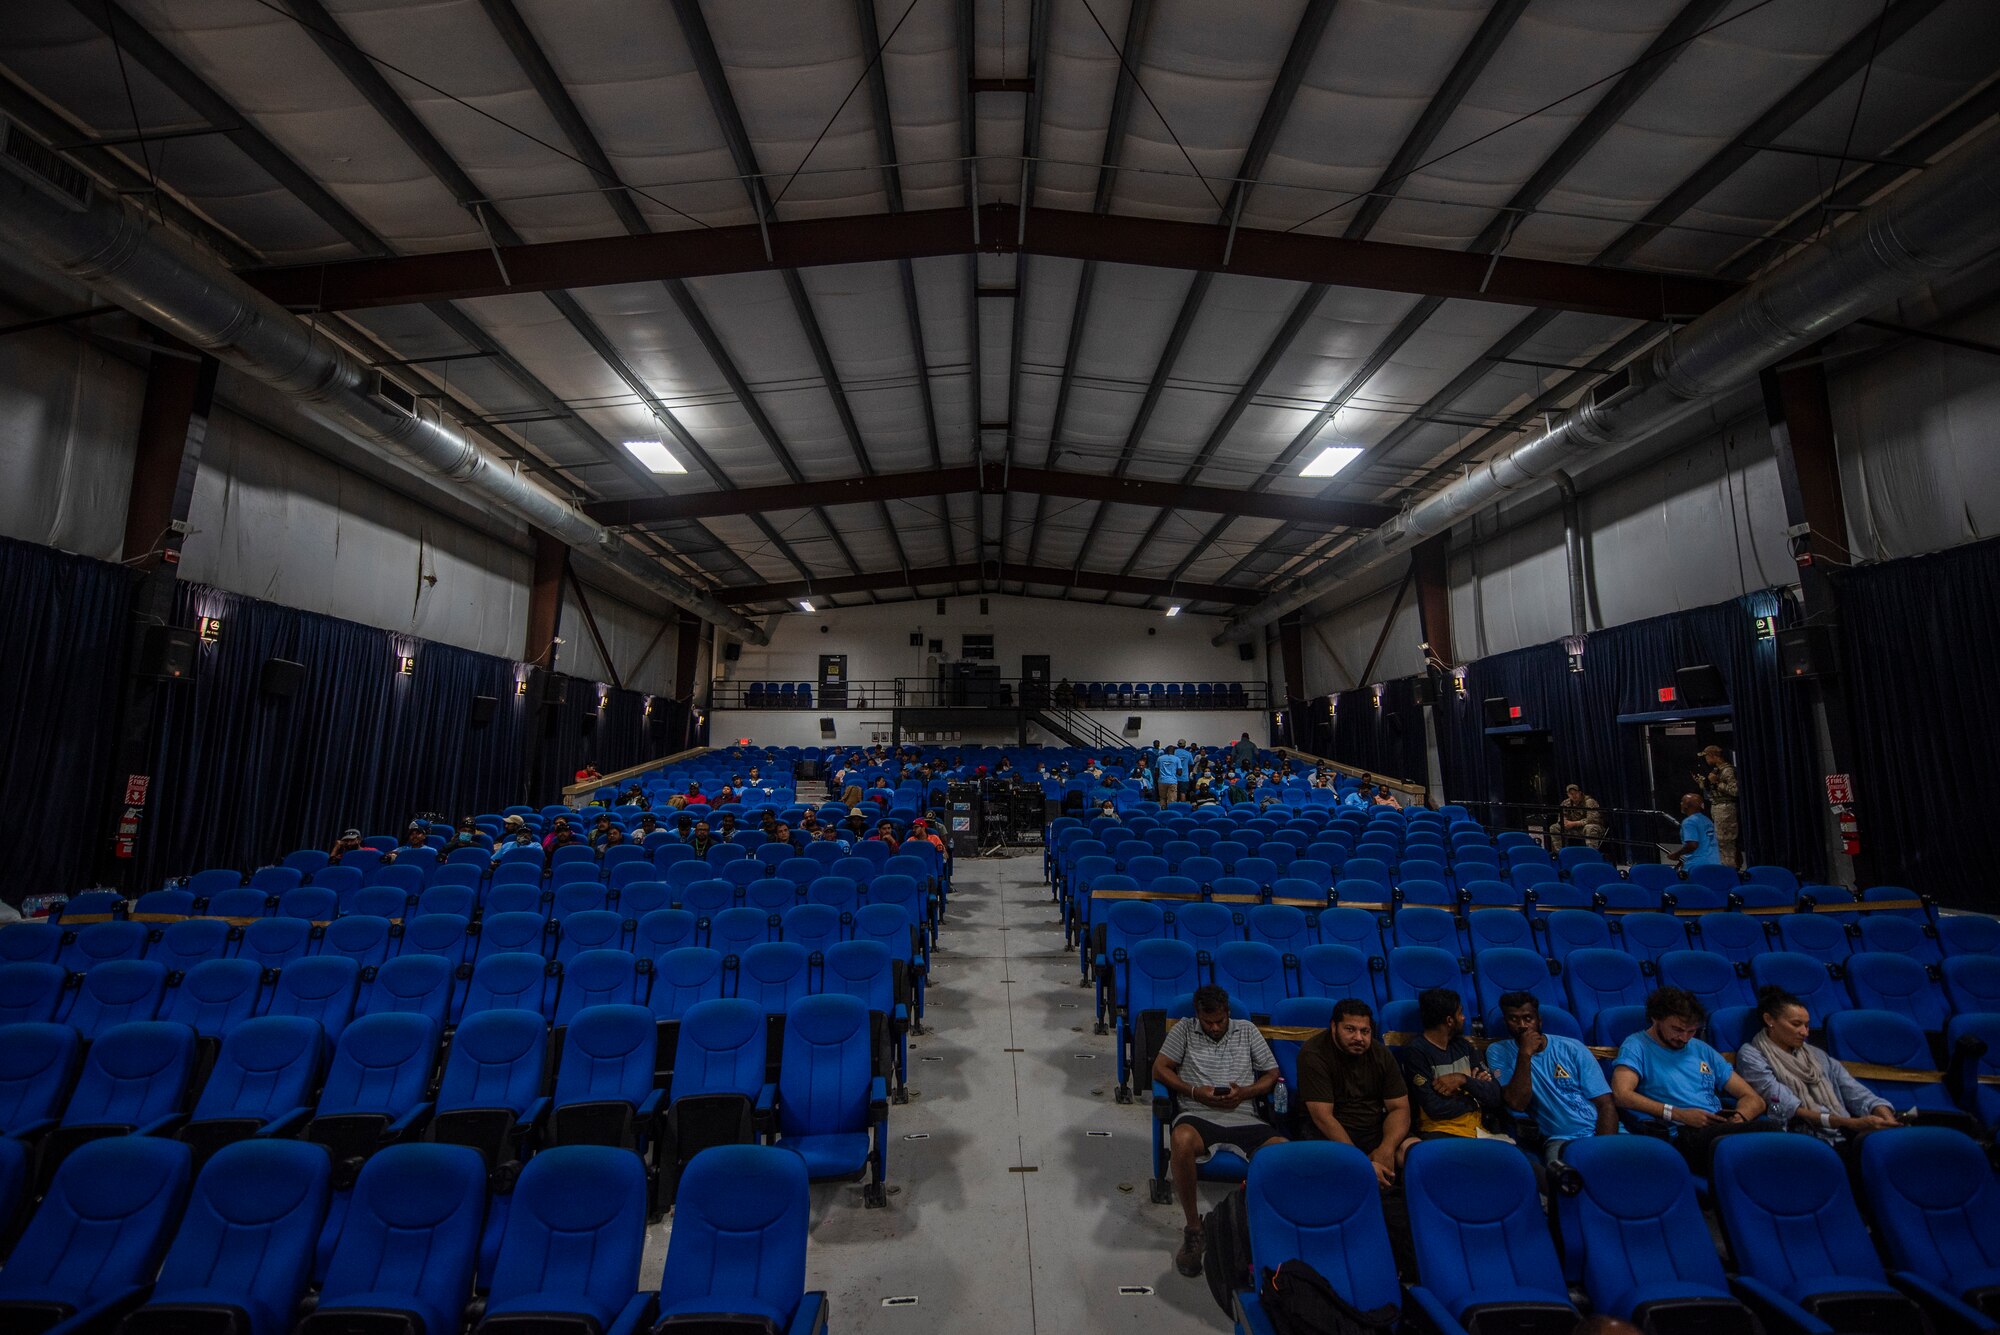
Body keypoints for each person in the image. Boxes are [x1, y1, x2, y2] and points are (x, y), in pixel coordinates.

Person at [1152, 985, 1285, 1277]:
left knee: (1282, 1154)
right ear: (1197, 1015)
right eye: (1207, 1021)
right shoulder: (1184, 1030)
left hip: (1244, 1115)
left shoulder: (1247, 1030)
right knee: (1181, 1140)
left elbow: (1272, 1073)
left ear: (1228, 1013)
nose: (1213, 1027)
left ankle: (1257, 1230)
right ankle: (1194, 1229)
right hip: (1199, 1114)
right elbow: (1160, 1069)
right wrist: (1194, 1091)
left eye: (1219, 1021)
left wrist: (1246, 1092)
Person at [1611, 987, 1770, 1173]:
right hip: (1681, 1134)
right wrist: (1678, 1114)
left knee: (1771, 1140)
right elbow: (1621, 1095)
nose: (1684, 1038)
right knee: (1769, 1132)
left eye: (1691, 1031)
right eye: (1677, 1029)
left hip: (1717, 1127)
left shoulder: (1702, 1049)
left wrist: (1739, 1118)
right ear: (1656, 1019)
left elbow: (1754, 1099)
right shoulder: (1636, 1045)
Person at [1734, 986, 1905, 1154]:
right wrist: (1847, 1123)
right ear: (1769, 1020)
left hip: (1842, 1131)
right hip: (1798, 1135)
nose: (1804, 1032)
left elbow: (1857, 1093)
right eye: (1796, 1024)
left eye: (1807, 1026)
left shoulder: (1816, 1055)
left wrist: (1886, 1117)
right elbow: (1784, 1105)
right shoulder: (1751, 1054)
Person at [1486, 992, 1620, 1162]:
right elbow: (1517, 1103)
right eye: (1514, 1019)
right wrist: (1525, 1055)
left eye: (1528, 1018)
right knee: (1563, 1179)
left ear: (1539, 1020)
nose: (1522, 1025)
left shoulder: (1573, 1047)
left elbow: (1605, 1103)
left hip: (1601, 1132)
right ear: (1506, 1022)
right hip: (1561, 1140)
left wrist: (1605, 1147)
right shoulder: (1498, 1052)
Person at [1294, 998, 1411, 1189]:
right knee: (1340, 1166)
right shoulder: (1313, 1053)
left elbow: (1399, 1108)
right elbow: (1323, 1117)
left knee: (1413, 1152)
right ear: (1334, 1027)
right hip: (1329, 1131)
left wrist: (1386, 1149)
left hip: (1373, 1128)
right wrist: (1362, 1163)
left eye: (1365, 1031)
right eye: (1350, 1029)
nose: (1359, 1037)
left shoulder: (1381, 1054)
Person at [1398, 989, 1504, 1158]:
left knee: (1530, 1172)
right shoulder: (1417, 1052)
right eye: (1460, 1013)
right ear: (1449, 1021)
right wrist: (1475, 1098)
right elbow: (1434, 1108)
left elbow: (1495, 1095)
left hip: (1479, 1132)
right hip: (1440, 1133)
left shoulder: (1464, 1047)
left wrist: (1463, 1080)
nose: (1464, 1018)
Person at [1697, 745, 1740, 867]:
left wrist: (1717, 782)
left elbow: (1735, 791)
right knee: (1720, 842)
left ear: (1713, 755)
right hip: (1717, 806)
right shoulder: (1717, 770)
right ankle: (1724, 866)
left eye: (1706, 756)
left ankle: (1730, 868)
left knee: (1726, 841)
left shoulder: (1727, 770)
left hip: (1726, 808)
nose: (1706, 760)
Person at [1670, 792, 1720, 870]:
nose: (1681, 804)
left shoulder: (1689, 822)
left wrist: (1676, 854)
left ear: (1686, 805)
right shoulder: (1707, 820)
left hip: (1697, 866)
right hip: (1715, 863)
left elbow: (1692, 845)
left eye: (1682, 801)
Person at [1557, 783, 1606, 851]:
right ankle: (1560, 854)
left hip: (1593, 827)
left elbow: (1592, 819)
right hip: (1575, 828)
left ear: (1580, 793)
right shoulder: (1566, 803)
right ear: (1568, 794)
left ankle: (1592, 855)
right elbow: (1561, 816)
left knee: (1589, 827)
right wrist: (1564, 823)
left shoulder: (1589, 801)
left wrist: (1574, 823)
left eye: (1575, 793)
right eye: (1571, 794)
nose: (1574, 795)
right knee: (1555, 828)